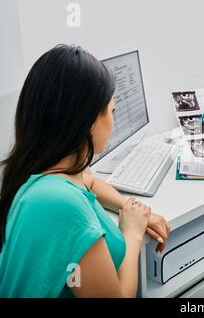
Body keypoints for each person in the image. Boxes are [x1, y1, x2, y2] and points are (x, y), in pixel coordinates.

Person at [0, 45, 170, 297]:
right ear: (88, 121)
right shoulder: (63, 207)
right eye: (112, 111)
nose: (114, 120)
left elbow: (87, 183)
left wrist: (127, 207)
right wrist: (132, 233)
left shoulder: (39, 173)